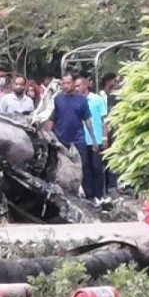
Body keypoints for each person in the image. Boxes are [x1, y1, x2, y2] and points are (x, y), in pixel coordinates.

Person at [45, 70, 100, 200]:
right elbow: (53, 117)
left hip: (78, 139)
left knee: (84, 166)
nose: (65, 86)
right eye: (63, 83)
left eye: (68, 83)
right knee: (59, 166)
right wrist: (47, 135)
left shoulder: (82, 100)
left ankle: (89, 196)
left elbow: (87, 120)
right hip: (60, 138)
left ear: (74, 83)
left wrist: (93, 139)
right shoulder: (58, 99)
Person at [77, 73, 107, 199]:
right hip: (82, 140)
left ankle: (99, 195)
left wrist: (105, 137)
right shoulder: (76, 101)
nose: (77, 88)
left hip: (97, 139)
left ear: (86, 85)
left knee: (97, 167)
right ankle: (89, 195)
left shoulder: (97, 99)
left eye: (79, 85)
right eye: (75, 86)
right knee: (85, 168)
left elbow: (104, 120)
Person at [99, 72, 121, 193]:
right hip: (106, 132)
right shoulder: (101, 97)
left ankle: (113, 186)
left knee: (113, 159)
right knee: (106, 160)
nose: (116, 84)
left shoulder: (113, 96)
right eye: (114, 81)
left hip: (113, 132)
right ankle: (108, 186)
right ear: (108, 82)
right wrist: (105, 136)